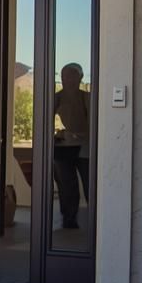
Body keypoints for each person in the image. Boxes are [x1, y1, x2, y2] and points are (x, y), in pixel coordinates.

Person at [52, 63, 92, 229]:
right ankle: (69, 219)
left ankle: (96, 217)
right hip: (62, 148)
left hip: (85, 148)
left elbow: (94, 124)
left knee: (90, 183)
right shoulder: (55, 98)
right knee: (67, 186)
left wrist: (80, 135)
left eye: (72, 75)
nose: (68, 79)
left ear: (80, 77)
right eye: (65, 75)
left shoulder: (87, 98)